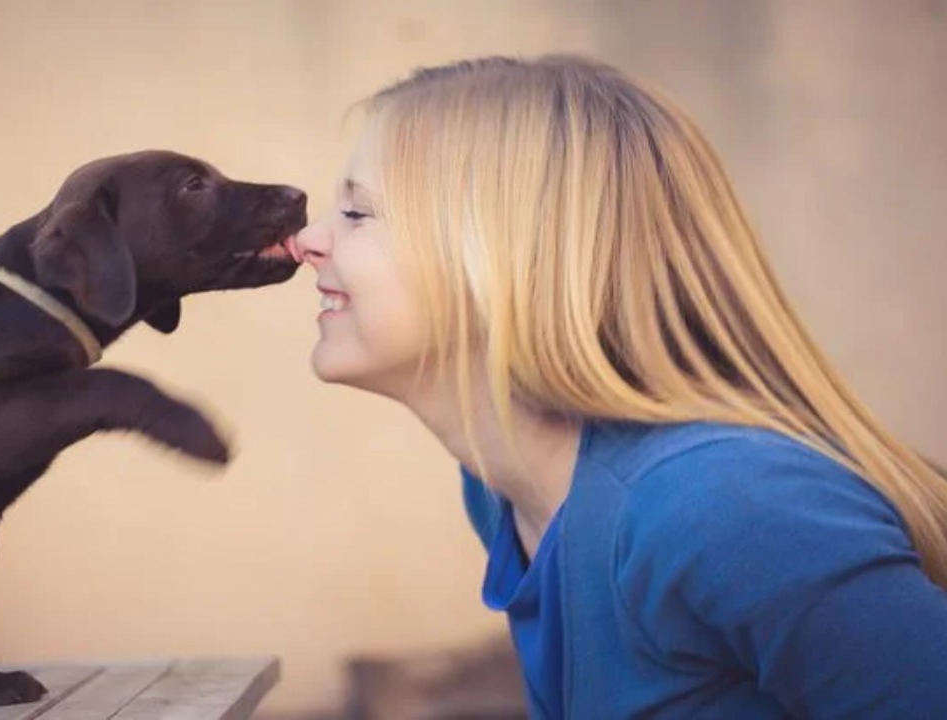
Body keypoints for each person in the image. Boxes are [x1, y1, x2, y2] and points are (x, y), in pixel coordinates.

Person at [286, 54, 947, 718]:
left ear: (505, 256)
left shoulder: (729, 509)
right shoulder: (500, 488)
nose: (308, 240)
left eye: (357, 212)